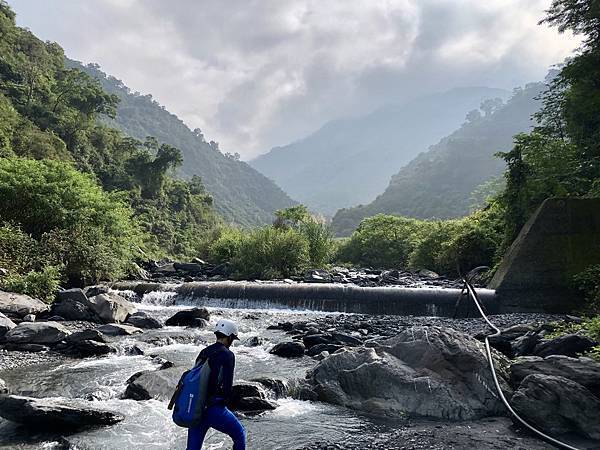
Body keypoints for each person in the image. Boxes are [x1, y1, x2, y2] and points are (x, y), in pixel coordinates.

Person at [186, 319, 246, 450]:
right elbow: (227, 388)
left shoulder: (204, 352)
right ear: (229, 336)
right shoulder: (228, 355)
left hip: (197, 408)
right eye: (233, 339)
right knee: (240, 434)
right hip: (214, 409)